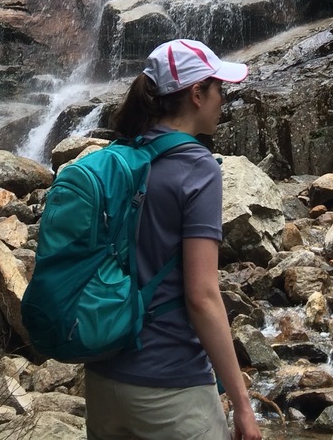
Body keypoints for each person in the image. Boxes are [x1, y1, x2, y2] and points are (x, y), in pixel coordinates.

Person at [84, 38, 263, 440]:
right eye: (219, 88)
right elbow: (201, 296)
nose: (223, 99)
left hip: (102, 377)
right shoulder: (197, 169)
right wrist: (242, 403)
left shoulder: (121, 158)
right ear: (197, 94)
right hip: (169, 388)